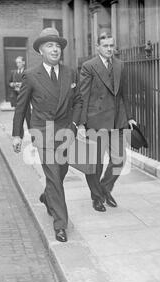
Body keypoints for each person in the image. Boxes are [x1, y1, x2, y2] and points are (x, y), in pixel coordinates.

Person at [12, 28, 82, 243]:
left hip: (65, 131)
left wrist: (74, 123)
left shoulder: (70, 72)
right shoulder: (31, 75)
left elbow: (78, 100)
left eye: (58, 46)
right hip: (42, 132)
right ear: (41, 50)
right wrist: (17, 135)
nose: (55, 49)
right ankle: (61, 224)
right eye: (50, 45)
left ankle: (46, 197)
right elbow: (21, 107)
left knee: (60, 173)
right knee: (54, 177)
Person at [79, 32, 137, 212]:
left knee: (119, 159)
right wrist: (81, 123)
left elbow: (124, 94)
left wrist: (129, 116)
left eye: (112, 45)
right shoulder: (89, 66)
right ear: (98, 47)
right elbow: (83, 95)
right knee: (95, 164)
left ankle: (104, 188)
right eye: (105, 46)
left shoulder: (120, 65)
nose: (109, 49)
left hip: (117, 120)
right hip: (96, 121)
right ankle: (96, 197)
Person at [9, 56, 30, 136]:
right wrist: (13, 84)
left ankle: (32, 132)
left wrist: (22, 85)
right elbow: (9, 82)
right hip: (16, 97)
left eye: (19, 62)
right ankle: (19, 134)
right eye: (17, 62)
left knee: (28, 116)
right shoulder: (13, 72)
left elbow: (30, 83)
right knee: (18, 116)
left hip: (25, 97)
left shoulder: (27, 72)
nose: (18, 64)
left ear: (23, 62)